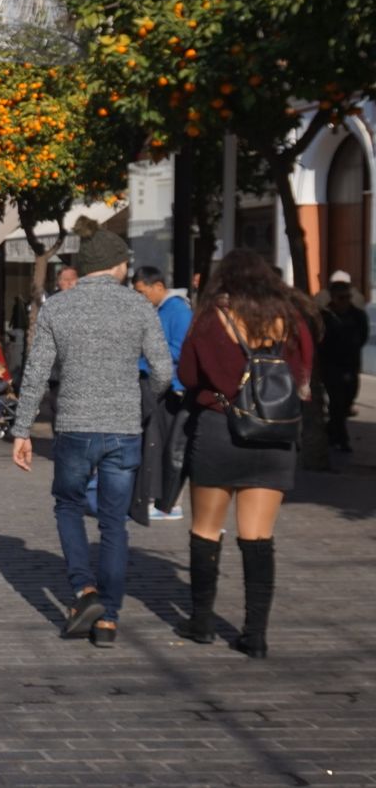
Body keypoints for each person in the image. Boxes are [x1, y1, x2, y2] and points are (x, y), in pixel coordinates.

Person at [11, 218, 169, 649]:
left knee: (67, 505)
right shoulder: (138, 307)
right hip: (123, 430)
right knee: (115, 522)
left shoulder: (59, 307)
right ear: (116, 265)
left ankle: (84, 590)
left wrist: (22, 428)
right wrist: (140, 402)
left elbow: (36, 373)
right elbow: (164, 371)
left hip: (75, 427)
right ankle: (109, 619)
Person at [175, 249, 315, 659]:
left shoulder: (209, 319)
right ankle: (255, 634)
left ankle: (201, 621)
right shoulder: (291, 319)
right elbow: (305, 371)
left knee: (206, 530)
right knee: (258, 537)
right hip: (274, 436)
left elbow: (186, 375)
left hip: (220, 428)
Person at [132, 266, 194, 521]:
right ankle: (160, 498)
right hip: (159, 383)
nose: (141, 298)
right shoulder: (160, 309)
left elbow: (179, 349)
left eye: (143, 292)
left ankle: (169, 501)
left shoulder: (177, 310)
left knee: (168, 446)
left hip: (172, 387)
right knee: (156, 444)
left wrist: (145, 360)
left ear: (158, 286)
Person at [319, 276, 369, 452]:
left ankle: (331, 432)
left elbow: (363, 336)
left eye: (347, 297)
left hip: (351, 365)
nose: (345, 302)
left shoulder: (358, 315)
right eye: (341, 298)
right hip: (331, 366)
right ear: (332, 297)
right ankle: (342, 438)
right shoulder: (325, 316)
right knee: (336, 403)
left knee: (347, 401)